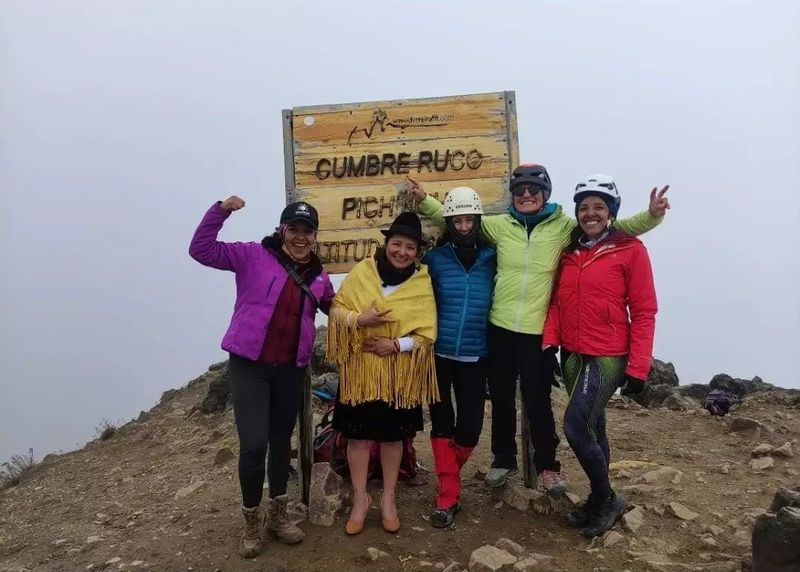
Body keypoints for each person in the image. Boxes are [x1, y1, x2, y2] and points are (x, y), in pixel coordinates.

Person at [408, 165, 669, 493]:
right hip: (499, 326)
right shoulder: (500, 225)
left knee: (537, 399)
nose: (526, 195)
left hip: (536, 330)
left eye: (533, 190)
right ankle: (503, 458)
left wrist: (651, 215)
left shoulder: (563, 226)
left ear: (545, 193)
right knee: (502, 398)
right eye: (520, 191)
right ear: (513, 196)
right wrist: (424, 201)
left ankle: (547, 465)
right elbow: (464, 217)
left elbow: (617, 226)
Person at [189, 196, 335, 558]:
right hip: (249, 366)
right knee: (254, 445)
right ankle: (251, 519)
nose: (301, 237)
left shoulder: (319, 277)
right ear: (282, 229)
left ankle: (279, 515)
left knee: (280, 443)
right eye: (294, 229)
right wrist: (221, 210)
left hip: (290, 370)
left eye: (308, 231)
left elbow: (339, 311)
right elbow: (201, 249)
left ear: (315, 236)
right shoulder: (252, 256)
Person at [542, 174, 658, 537]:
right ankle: (598, 496)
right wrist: (550, 341)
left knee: (575, 426)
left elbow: (644, 311)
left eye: (599, 207)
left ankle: (608, 498)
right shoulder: (571, 252)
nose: (590, 213)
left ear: (611, 213)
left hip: (609, 354)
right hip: (573, 354)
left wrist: (639, 366)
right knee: (594, 427)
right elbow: (558, 303)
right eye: (584, 208)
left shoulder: (631, 250)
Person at [326, 212, 438, 536]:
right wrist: (361, 320)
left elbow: (427, 333)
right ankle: (361, 498)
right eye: (397, 244)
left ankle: (388, 498)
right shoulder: (362, 272)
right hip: (360, 371)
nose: (402, 251)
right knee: (358, 436)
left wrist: (396, 344)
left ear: (417, 252)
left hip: (398, 375)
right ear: (386, 244)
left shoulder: (421, 283)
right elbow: (337, 309)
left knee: (393, 438)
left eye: (410, 247)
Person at [420, 187, 496, 528]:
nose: (463, 226)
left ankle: (447, 473)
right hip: (437, 355)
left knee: (470, 430)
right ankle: (448, 495)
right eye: (457, 220)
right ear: (448, 222)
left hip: (476, 355)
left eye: (469, 220)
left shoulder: (493, 256)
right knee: (441, 423)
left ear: (478, 221)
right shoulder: (434, 259)